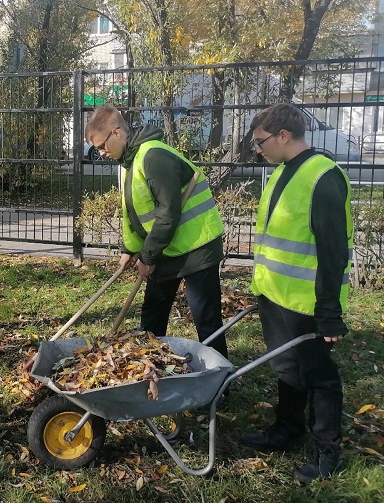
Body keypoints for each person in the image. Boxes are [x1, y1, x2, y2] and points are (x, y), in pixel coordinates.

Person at [241, 103, 352, 483]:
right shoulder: (283, 172)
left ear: (284, 136)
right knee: (286, 368)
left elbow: (333, 250)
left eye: (261, 142)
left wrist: (329, 312)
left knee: (319, 374)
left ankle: (327, 450)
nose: (258, 149)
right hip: (275, 294)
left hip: (306, 301)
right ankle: (287, 430)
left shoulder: (323, 177)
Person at [84, 105, 229, 362]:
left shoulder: (154, 156)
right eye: (97, 149)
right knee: (152, 314)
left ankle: (219, 381)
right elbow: (134, 212)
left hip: (197, 247)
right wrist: (130, 250)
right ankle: (147, 370)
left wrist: (148, 257)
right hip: (166, 247)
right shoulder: (128, 161)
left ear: (117, 133)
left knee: (205, 318)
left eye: (102, 146)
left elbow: (168, 213)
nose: (101, 152)